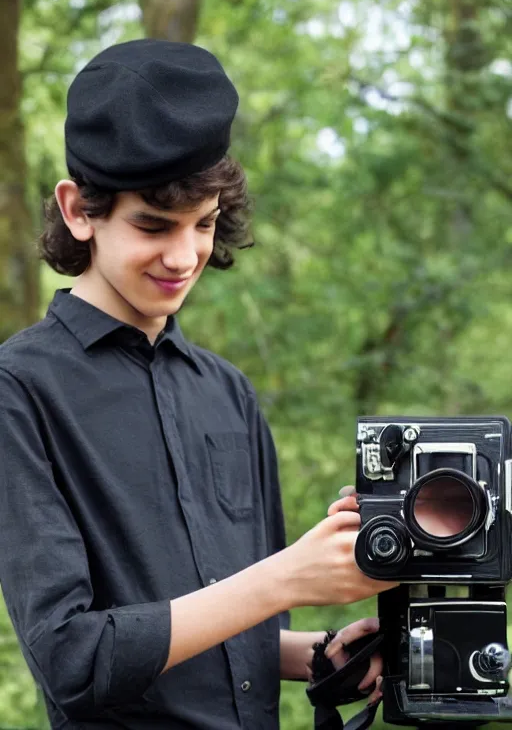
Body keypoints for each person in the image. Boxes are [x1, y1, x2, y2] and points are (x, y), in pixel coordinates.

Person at [0, 39, 395, 730]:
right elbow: (71, 659)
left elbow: (230, 639)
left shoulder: (230, 394)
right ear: (78, 210)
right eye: (153, 226)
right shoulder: (19, 390)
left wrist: (323, 653)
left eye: (204, 224)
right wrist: (287, 576)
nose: (185, 257)